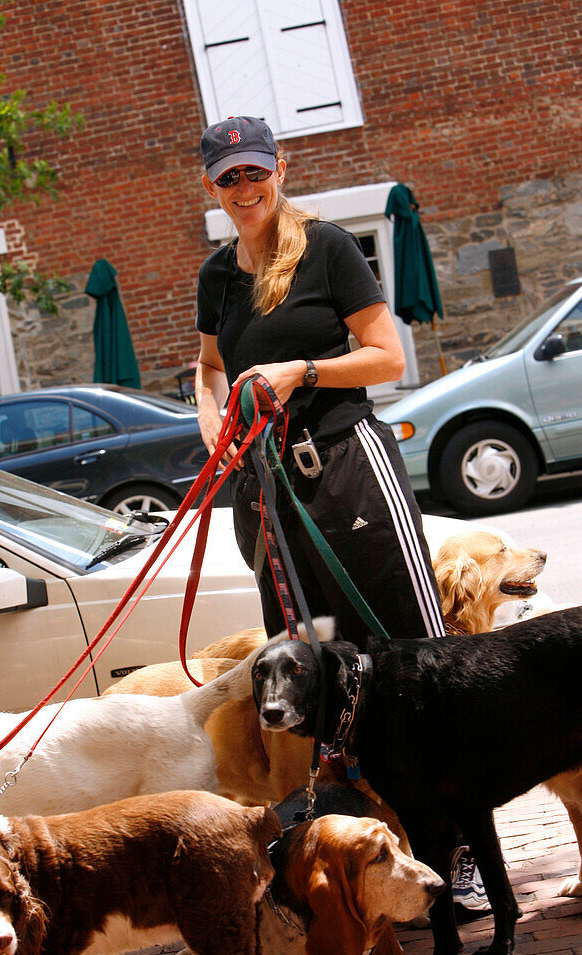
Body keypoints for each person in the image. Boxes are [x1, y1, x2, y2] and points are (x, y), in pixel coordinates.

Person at [194, 114, 488, 912]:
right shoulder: (217, 276)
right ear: (211, 187)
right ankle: (367, 849)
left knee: (410, 657)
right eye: (228, 178)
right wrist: (215, 429)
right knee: (317, 671)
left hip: (348, 471)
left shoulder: (326, 248)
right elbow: (208, 368)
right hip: (265, 488)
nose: (245, 188)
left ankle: (460, 847)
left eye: (255, 172)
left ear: (279, 168)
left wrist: (303, 370)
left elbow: (387, 356)